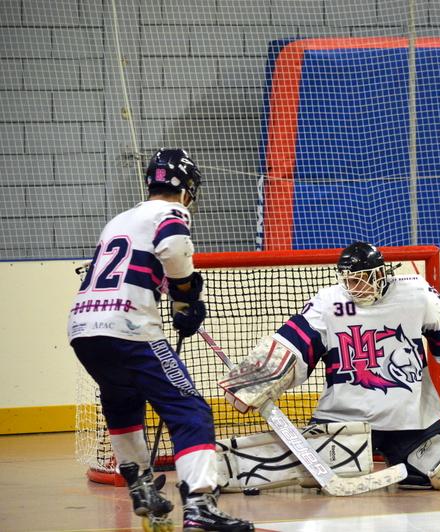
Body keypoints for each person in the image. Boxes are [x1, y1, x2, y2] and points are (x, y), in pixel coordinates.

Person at [220, 241, 440, 490]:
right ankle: (218, 469)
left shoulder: (415, 294)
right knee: (306, 472)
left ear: (381, 274)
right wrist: (255, 379)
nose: (356, 286)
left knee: (431, 472)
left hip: (410, 420)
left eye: (362, 278)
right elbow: (295, 343)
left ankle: (410, 452)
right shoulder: (328, 303)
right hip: (345, 418)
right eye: (350, 280)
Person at [68, 148, 254, 532]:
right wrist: (187, 298)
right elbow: (173, 249)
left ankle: (141, 486)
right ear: (186, 188)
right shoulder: (170, 212)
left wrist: (176, 298)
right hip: (129, 327)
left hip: (83, 328)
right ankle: (200, 505)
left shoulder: (120, 219)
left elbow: (138, 268)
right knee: (190, 411)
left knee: (122, 399)